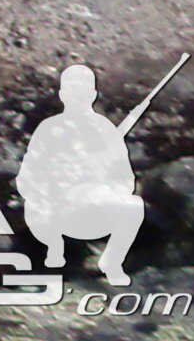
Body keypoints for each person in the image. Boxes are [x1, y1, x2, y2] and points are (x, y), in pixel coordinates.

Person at [20, 65, 145, 284]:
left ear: (93, 95)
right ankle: (55, 252)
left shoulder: (105, 130)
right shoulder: (49, 129)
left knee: (134, 206)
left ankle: (111, 262)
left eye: (83, 92)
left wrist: (106, 184)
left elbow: (125, 177)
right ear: (62, 95)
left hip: (96, 205)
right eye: (71, 92)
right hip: (56, 208)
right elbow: (28, 174)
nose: (77, 98)